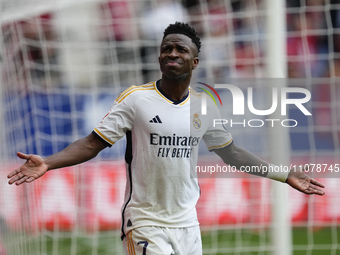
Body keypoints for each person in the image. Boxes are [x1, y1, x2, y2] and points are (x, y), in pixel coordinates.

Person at [8, 22, 325, 255]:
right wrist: (48, 163)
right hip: (145, 223)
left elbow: (232, 154)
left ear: (194, 61)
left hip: (188, 225)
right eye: (166, 48)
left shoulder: (204, 105)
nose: (172, 53)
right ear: (159, 57)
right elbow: (93, 143)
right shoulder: (136, 100)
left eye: (180, 49)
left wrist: (284, 175)